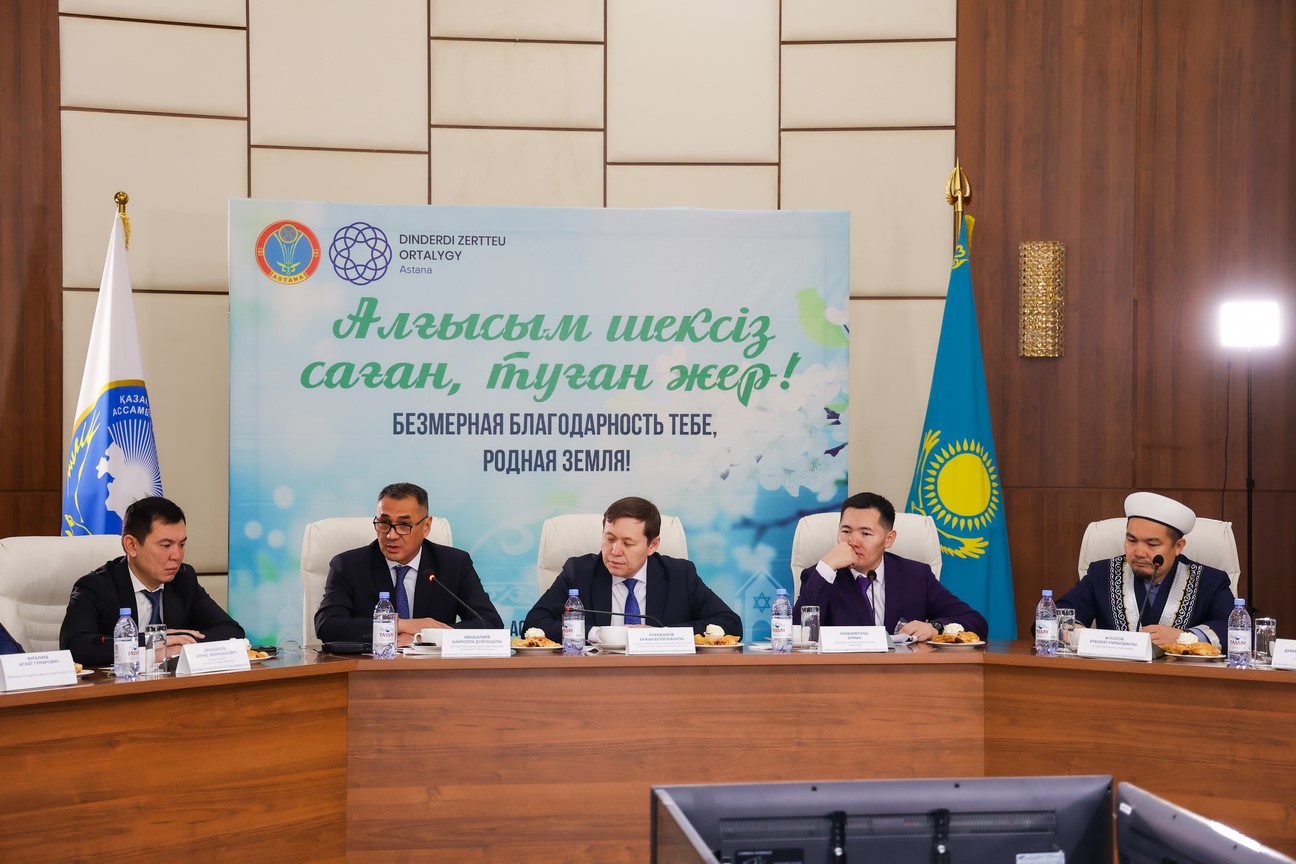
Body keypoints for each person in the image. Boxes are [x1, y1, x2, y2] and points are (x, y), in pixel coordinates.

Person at [522, 496, 742, 643]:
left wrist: (661, 636)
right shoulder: (579, 572)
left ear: (653, 545)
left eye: (628, 543)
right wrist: (598, 633)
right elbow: (534, 624)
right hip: (594, 678)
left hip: (663, 679)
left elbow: (730, 623)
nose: (615, 551)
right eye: (609, 539)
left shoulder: (679, 575)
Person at [59, 496, 246, 666]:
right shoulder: (96, 587)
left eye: (182, 544)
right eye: (166, 545)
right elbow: (74, 646)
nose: (177, 555)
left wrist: (180, 645)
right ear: (131, 545)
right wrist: (155, 642)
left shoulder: (183, 580)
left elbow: (232, 632)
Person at [314, 482, 503, 647]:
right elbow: (327, 625)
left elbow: (490, 624)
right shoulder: (348, 566)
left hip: (434, 671)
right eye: (384, 523)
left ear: (426, 527)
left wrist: (425, 636)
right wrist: (399, 625)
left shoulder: (454, 564)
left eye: (404, 525)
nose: (391, 535)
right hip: (370, 668)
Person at [794, 492, 988, 641]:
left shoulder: (916, 576)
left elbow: (975, 622)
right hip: (841, 676)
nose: (853, 541)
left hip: (903, 676)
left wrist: (935, 627)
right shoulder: (820, 576)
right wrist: (826, 567)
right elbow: (798, 633)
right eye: (846, 531)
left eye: (865, 534)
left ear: (889, 539)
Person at [1058, 491, 1235, 648]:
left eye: (1152, 544)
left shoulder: (1209, 581)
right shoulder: (1101, 574)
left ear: (1178, 546)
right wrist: (1072, 632)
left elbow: (1235, 629)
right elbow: (1056, 615)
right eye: (1132, 541)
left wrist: (1186, 637)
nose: (1139, 553)